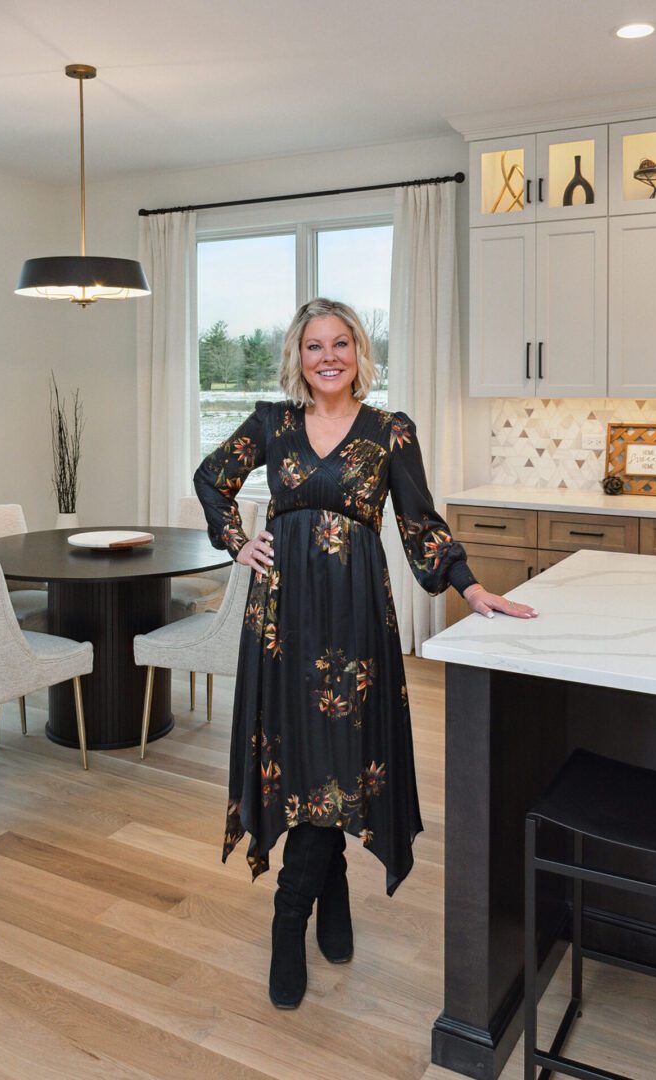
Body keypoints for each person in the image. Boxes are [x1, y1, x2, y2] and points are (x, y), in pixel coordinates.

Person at [193, 297, 537, 1009]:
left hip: (353, 621)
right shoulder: (271, 422)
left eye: (340, 344)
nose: (327, 357)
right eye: (314, 345)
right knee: (298, 754)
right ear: (298, 354)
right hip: (280, 620)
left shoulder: (389, 431)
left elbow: (419, 522)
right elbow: (210, 479)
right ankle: (313, 904)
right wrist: (236, 539)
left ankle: (296, 910)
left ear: (358, 352)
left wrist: (471, 589)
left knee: (339, 755)